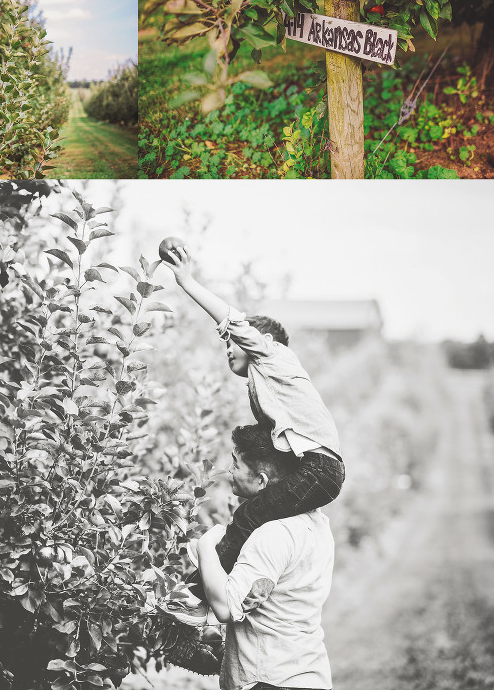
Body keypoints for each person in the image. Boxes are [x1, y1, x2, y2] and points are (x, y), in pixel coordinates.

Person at [159, 242, 344, 633]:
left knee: (250, 515)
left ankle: (194, 601)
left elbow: (232, 320)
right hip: (318, 469)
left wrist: (187, 281)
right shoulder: (267, 385)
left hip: (320, 469)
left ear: (260, 344)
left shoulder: (273, 356)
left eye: (233, 343)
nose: (228, 348)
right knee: (254, 515)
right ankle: (198, 603)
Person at [196, 423, 334, 690]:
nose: (229, 471)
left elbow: (226, 606)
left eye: (236, 464)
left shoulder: (273, 534)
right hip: (310, 674)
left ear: (261, 480)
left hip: (272, 680)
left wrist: (205, 546)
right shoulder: (318, 524)